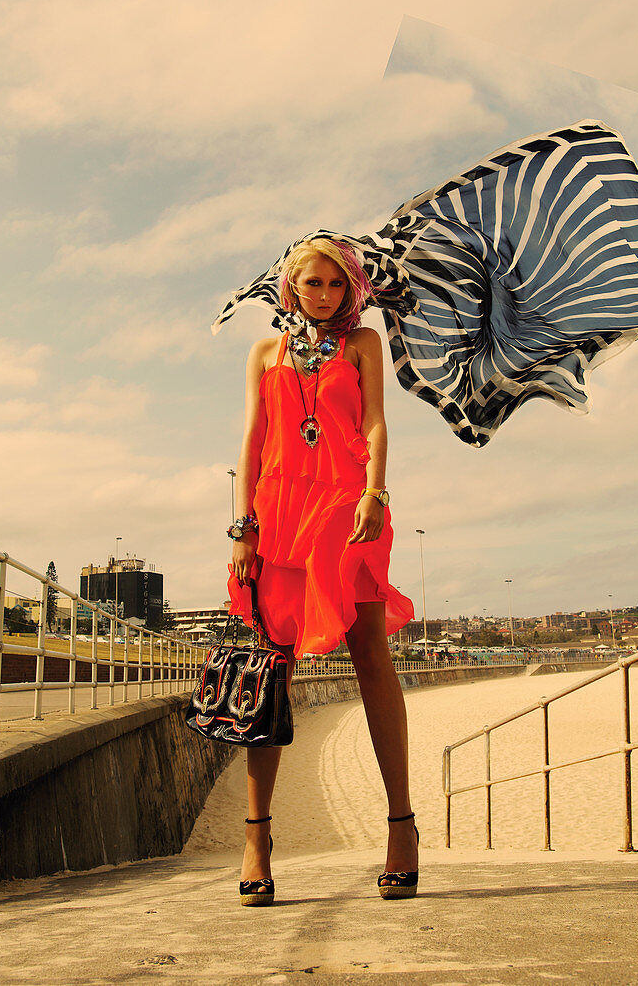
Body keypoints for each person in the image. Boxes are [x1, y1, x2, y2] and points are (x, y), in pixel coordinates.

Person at [227, 236, 417, 906]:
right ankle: (257, 836)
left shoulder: (363, 343)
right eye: (313, 283)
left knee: (370, 653)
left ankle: (401, 826)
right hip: (277, 512)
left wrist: (376, 491)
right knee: (267, 667)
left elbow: (374, 424)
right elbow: (252, 441)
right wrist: (241, 530)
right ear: (290, 285)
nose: (326, 296)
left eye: (337, 285)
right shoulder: (264, 352)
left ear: (351, 288)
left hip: (346, 504)